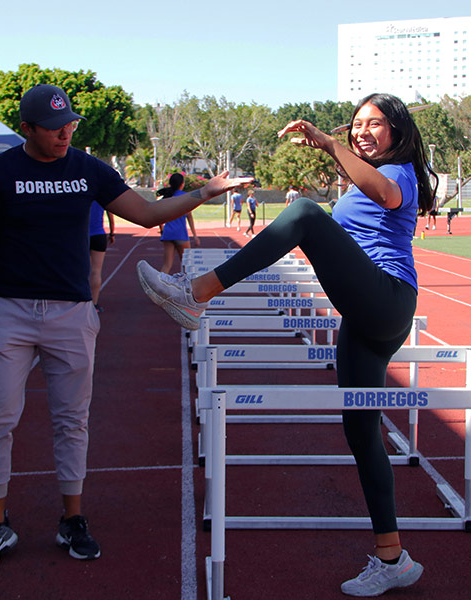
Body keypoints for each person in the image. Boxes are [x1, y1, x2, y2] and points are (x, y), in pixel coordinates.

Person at [137, 92, 437, 597]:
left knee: (303, 212)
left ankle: (198, 294)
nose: (362, 131)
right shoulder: (365, 174)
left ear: (398, 132)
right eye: (356, 124)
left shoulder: (402, 171)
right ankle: (394, 559)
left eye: (375, 124)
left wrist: (326, 143)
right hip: (365, 317)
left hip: (387, 299)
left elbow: (385, 195)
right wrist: (334, 150)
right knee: (361, 432)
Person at [0, 84, 251, 568]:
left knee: (72, 420)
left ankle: (71, 518)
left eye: (69, 123)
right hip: (8, 311)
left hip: (71, 313)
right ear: (27, 129)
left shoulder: (88, 168)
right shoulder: (0, 172)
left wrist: (205, 192)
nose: (65, 132)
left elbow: (149, 213)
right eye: (53, 127)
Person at [157, 173, 199, 272]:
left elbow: (159, 216)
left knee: (167, 265)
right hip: (180, 234)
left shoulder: (167, 196)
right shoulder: (185, 196)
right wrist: (195, 235)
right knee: (186, 265)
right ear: (182, 184)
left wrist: (162, 229)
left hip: (168, 233)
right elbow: (189, 216)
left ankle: (159, 285)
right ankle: (186, 286)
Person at [88, 201, 115, 312]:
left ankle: (80, 300)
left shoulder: (83, 195)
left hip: (82, 235)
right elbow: (111, 217)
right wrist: (112, 233)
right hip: (98, 235)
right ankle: (94, 304)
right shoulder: (101, 197)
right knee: (96, 271)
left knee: (81, 270)